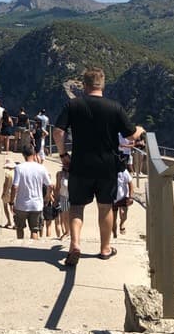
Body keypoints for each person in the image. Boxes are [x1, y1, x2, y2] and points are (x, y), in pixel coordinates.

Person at [53, 66, 144, 266]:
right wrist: (140, 129)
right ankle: (105, 249)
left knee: (77, 207)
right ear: (102, 84)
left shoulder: (73, 105)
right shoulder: (115, 107)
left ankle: (75, 244)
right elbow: (131, 136)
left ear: (84, 85)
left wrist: (63, 155)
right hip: (107, 167)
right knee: (105, 208)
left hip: (80, 165)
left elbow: (58, 133)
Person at [9, 143, 51, 240]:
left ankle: (20, 249)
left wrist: (11, 202)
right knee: (34, 230)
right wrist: (47, 197)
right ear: (34, 154)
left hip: (21, 204)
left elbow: (15, 186)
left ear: (23, 155)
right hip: (37, 204)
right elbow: (50, 185)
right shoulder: (41, 168)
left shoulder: (19, 168)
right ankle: (33, 251)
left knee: (19, 228)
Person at [112, 156, 134, 237]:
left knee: (124, 214)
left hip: (124, 197)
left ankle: (122, 223)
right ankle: (114, 232)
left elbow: (131, 184)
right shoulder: (109, 171)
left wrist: (131, 197)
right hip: (113, 198)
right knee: (113, 218)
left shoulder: (124, 172)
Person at [55, 152, 71, 239]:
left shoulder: (74, 173)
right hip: (64, 196)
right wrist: (55, 200)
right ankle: (67, 232)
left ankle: (72, 232)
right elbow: (57, 187)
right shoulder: (59, 174)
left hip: (74, 197)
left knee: (73, 216)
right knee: (64, 217)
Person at [1, 159, 16, 229]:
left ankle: (9, 221)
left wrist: (3, 193)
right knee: (13, 207)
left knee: (5, 206)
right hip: (14, 192)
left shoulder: (7, 173)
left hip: (7, 192)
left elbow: (5, 184)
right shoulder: (16, 173)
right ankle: (15, 222)